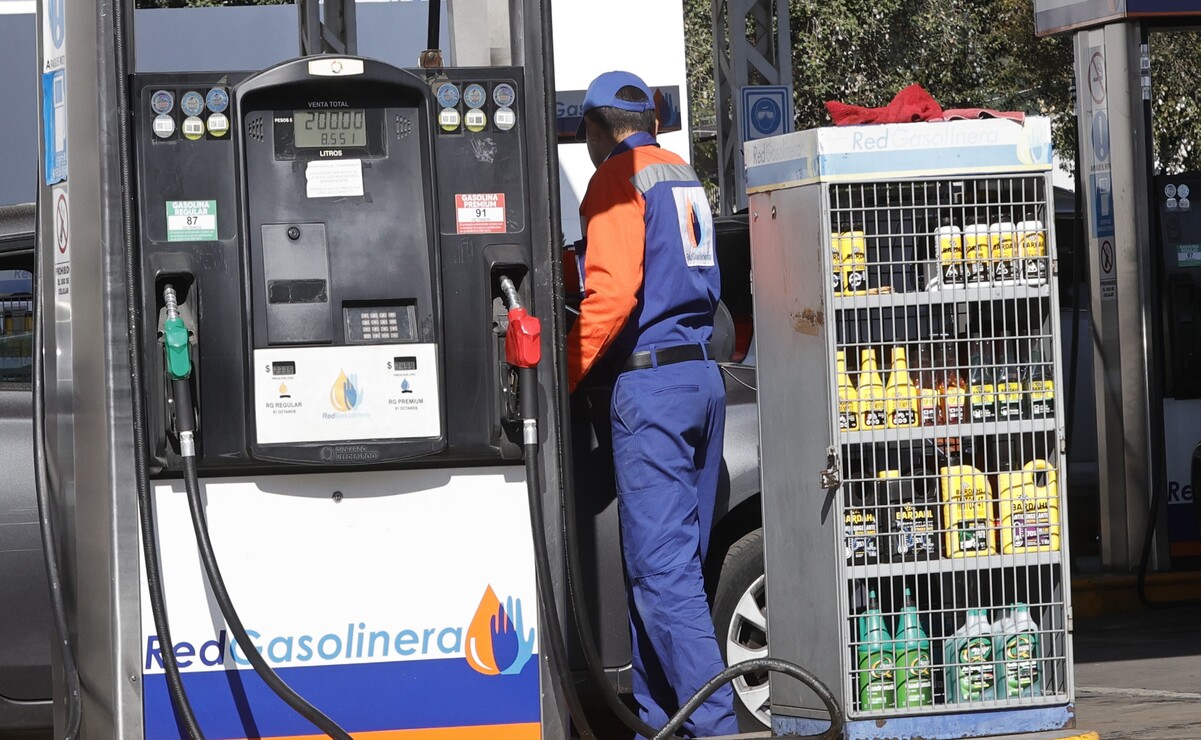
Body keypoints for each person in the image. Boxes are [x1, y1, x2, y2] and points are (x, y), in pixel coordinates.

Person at [566, 70, 738, 738]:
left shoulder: (617, 177)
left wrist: (560, 378)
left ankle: (712, 728)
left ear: (593, 128)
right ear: (652, 122)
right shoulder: (680, 174)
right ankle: (662, 724)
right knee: (663, 574)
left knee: (661, 575)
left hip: (652, 389)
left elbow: (609, 296)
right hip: (699, 378)